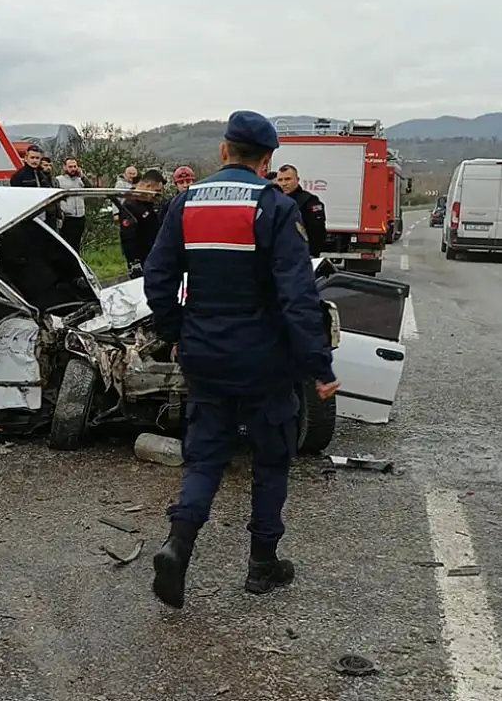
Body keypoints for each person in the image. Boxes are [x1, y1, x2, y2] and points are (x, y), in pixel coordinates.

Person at [142, 111, 339, 609]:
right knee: (271, 459)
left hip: (205, 355)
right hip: (265, 362)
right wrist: (319, 365)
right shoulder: (275, 207)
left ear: (224, 151)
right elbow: (298, 296)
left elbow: (158, 277)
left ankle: (178, 546)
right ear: (267, 160)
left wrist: (176, 331)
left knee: (205, 456)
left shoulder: (185, 203)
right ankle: (261, 565)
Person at [117, 169, 166, 277]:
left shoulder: (153, 203)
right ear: (148, 186)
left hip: (157, 255)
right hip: (143, 258)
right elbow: (128, 237)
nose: (157, 195)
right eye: (156, 191)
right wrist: (134, 262)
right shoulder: (130, 205)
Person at [275, 164, 327, 257]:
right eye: (280, 180)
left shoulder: (309, 200)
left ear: (297, 180)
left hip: (300, 254)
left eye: (287, 179)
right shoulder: (273, 200)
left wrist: (312, 253)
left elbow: (317, 231)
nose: (283, 183)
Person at [55, 157, 90, 251]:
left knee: (76, 243)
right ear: (64, 167)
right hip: (67, 217)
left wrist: (83, 177)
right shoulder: (58, 180)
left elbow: (90, 188)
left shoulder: (80, 180)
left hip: (80, 215)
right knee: (66, 243)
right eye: (70, 167)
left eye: (75, 166)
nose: (73, 169)